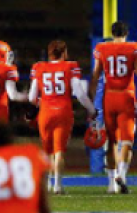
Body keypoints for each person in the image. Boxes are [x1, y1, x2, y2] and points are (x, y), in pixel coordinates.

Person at [29, 40, 96, 194]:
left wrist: (43, 102)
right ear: (64, 52)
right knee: (59, 150)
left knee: (47, 150)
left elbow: (32, 97)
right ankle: (58, 185)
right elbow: (79, 93)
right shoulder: (70, 66)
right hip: (63, 111)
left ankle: (46, 185)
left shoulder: (39, 67)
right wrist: (91, 109)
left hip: (45, 111)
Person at [90, 21, 137, 194]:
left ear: (112, 33)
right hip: (126, 96)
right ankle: (121, 175)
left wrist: (91, 101)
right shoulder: (134, 48)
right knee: (127, 140)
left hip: (109, 97)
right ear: (126, 33)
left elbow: (95, 75)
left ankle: (111, 184)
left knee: (111, 141)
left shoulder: (102, 48)